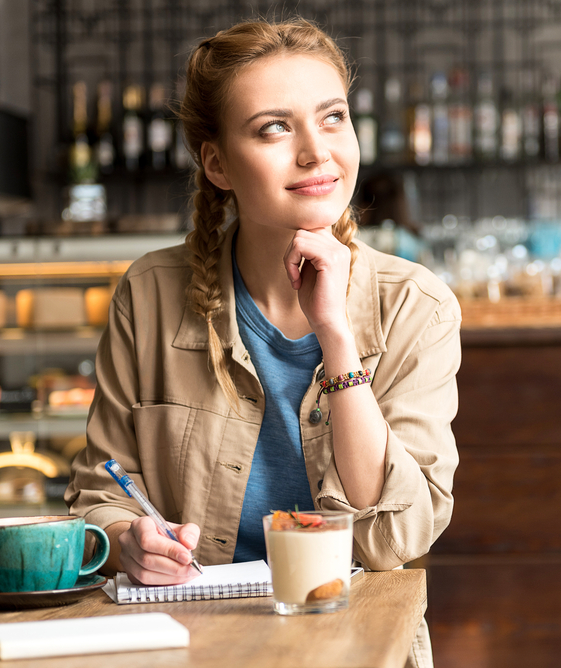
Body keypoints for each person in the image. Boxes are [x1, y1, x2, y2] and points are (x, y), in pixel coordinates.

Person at [65, 18, 460, 668]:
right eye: (274, 128)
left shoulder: (416, 306)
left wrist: (336, 335)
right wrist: (125, 538)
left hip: (354, 645)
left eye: (332, 117)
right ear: (216, 163)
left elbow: (392, 537)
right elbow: (99, 491)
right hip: (186, 644)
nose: (316, 152)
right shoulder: (151, 295)